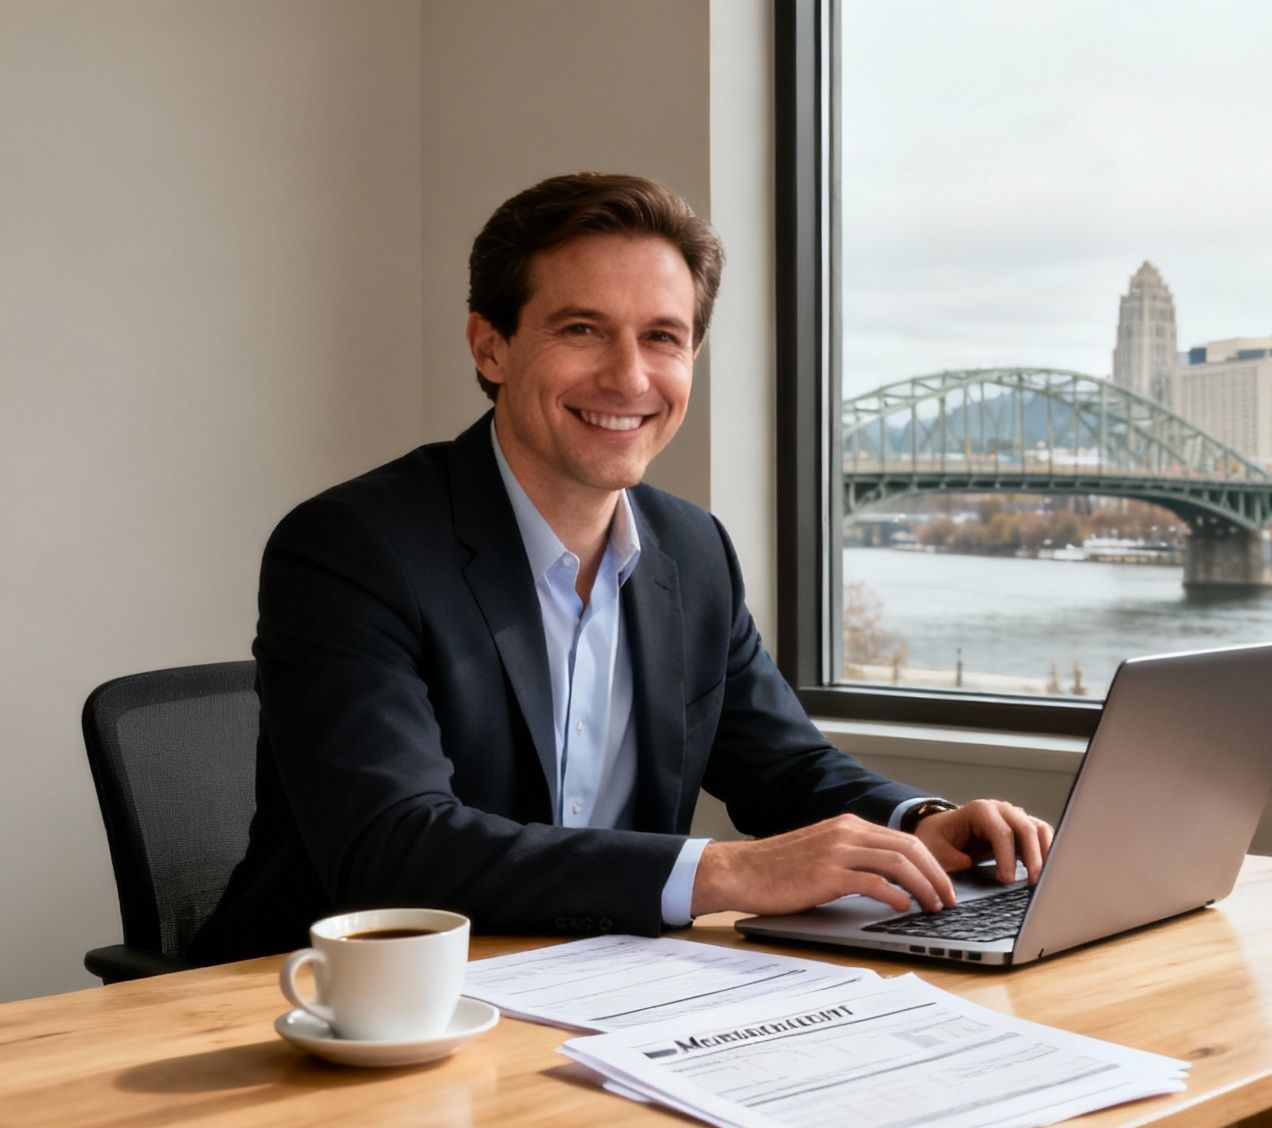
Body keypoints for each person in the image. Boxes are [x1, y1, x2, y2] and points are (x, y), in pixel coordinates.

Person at [192, 173, 1051, 963]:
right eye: (581, 330)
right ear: (490, 348)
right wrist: (722, 873)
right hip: (330, 1007)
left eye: (663, 338)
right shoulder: (353, 546)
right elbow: (394, 848)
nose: (630, 376)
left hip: (597, 989)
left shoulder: (693, 551)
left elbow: (788, 768)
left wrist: (922, 822)